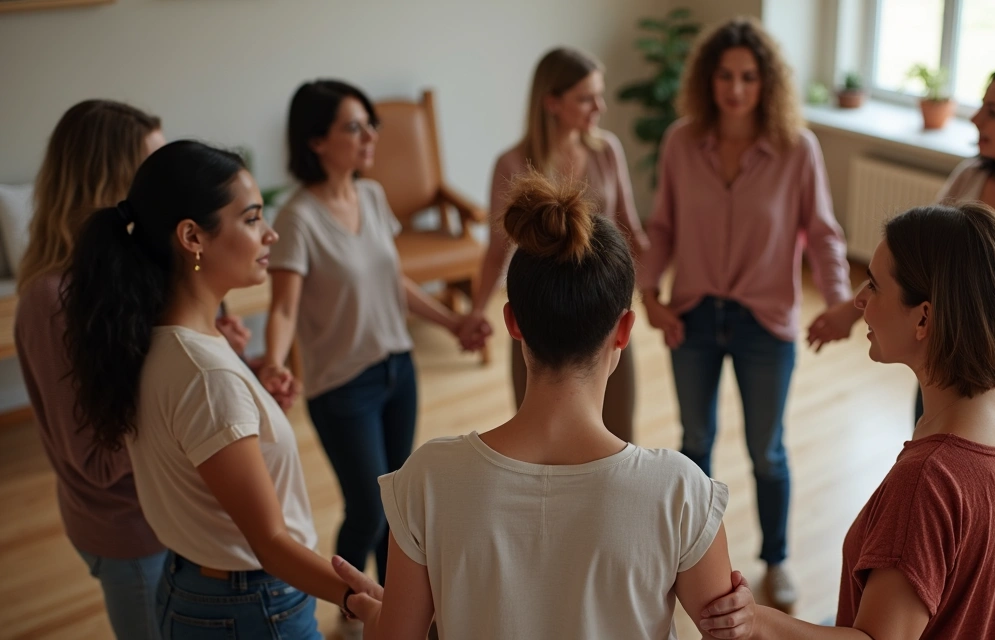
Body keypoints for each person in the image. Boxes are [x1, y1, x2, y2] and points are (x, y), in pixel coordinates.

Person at [335, 172, 733, 639]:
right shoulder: (681, 491)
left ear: (512, 322)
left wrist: (380, 615)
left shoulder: (428, 478)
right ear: (624, 329)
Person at [699, 204, 995, 639]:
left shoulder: (929, 481)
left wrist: (758, 620)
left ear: (924, 318)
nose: (859, 299)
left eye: (873, 285)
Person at [60, 140, 377, 639]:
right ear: (192, 237)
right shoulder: (205, 373)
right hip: (252, 605)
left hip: (192, 586)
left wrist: (252, 404)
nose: (270, 233)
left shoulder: (158, 340)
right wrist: (361, 597)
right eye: (251, 219)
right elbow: (269, 542)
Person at [639, 17, 853, 610]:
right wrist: (649, 295)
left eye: (749, 77)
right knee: (695, 442)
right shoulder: (683, 142)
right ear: (709, 81)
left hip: (766, 322)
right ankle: (687, 557)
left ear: (767, 84)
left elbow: (824, 234)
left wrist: (838, 302)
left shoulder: (796, 148)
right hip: (695, 316)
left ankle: (776, 559)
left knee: (768, 450)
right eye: (725, 76)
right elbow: (662, 228)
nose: (735, 89)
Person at [260, 80, 488, 631]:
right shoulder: (297, 218)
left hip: (397, 371)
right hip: (343, 387)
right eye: (354, 126)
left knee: (398, 506)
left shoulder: (371, 196)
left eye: (370, 124)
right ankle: (349, 610)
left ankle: (396, 611)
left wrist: (452, 320)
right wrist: (272, 362)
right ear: (316, 140)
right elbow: (284, 308)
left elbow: (394, 281)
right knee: (366, 508)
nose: (370, 135)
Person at [15, 99, 237, 639]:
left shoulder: (141, 270)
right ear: (111, 180)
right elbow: (93, 457)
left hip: (177, 512)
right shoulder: (54, 298)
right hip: (131, 534)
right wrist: (185, 403)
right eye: (151, 167)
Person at [805, 64, 995, 417]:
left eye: (993, 112)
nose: (976, 119)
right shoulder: (970, 176)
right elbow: (916, 257)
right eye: (981, 106)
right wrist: (851, 310)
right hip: (941, 360)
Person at [459, 47, 648, 441]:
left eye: (599, 93)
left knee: (620, 436)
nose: (599, 106)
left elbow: (631, 228)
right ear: (551, 102)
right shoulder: (512, 164)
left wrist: (662, 290)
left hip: (604, 308)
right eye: (585, 98)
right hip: (540, 314)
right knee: (542, 438)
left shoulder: (607, 149)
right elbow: (496, 251)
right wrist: (477, 311)